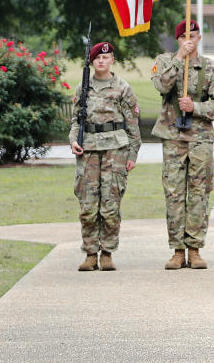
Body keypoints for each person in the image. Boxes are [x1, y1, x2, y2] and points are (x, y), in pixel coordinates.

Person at [151, 19, 214, 270]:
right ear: (177, 39)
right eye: (185, 36)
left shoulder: (210, 68)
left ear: (200, 38)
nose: (189, 40)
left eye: (194, 35)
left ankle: (195, 249)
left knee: (198, 194)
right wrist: (178, 58)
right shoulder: (165, 61)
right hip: (173, 138)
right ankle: (177, 250)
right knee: (174, 194)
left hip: (200, 138)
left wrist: (195, 107)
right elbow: (162, 85)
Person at [69, 42, 141, 272]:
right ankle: (90, 253)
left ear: (112, 60)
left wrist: (132, 154)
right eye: (97, 58)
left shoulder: (123, 88)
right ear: (92, 61)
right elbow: (75, 121)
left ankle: (108, 251)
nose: (101, 61)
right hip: (88, 150)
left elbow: (132, 125)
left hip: (115, 151)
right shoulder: (83, 87)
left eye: (106, 57)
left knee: (110, 204)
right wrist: (73, 141)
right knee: (88, 205)